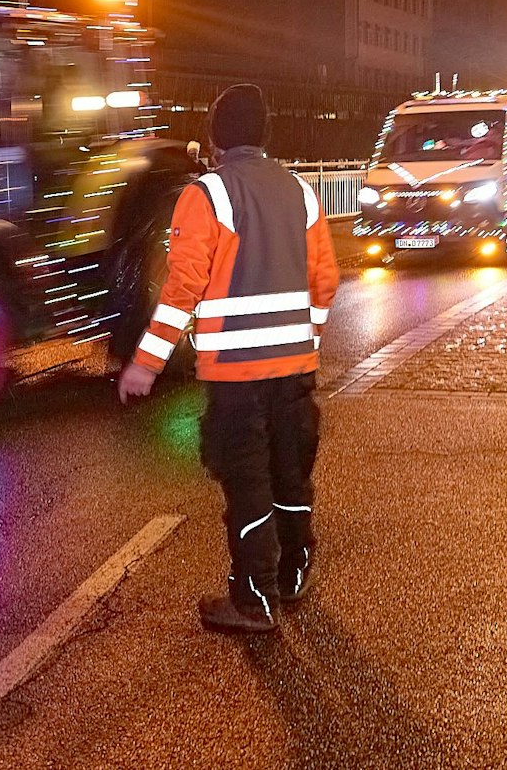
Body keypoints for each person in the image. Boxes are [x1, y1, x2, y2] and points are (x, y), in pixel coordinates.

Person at [117, 85, 340, 634]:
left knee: (247, 486)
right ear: (265, 135)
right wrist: (304, 340)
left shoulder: (207, 195)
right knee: (291, 474)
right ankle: (294, 570)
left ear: (215, 136)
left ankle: (253, 600)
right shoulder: (301, 193)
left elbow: (182, 288)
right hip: (295, 371)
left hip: (236, 379)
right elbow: (325, 281)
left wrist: (146, 363)